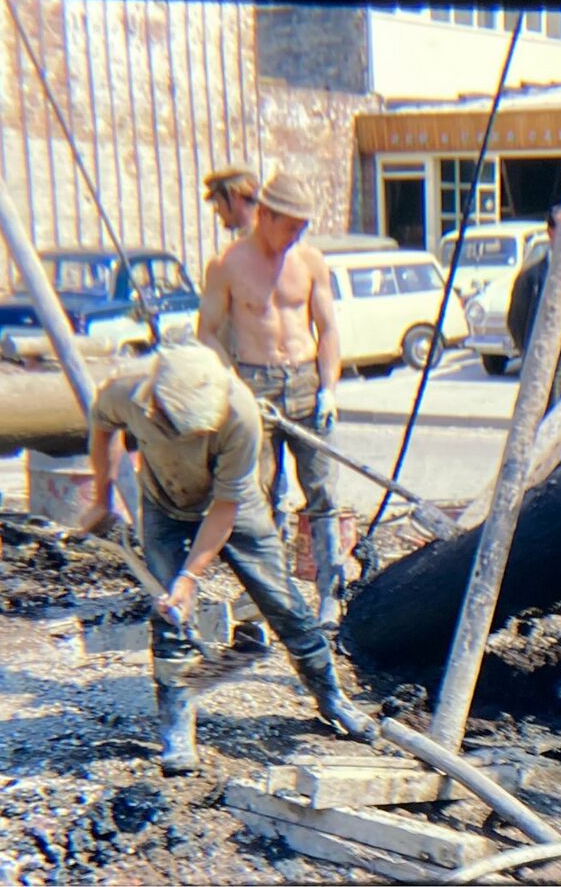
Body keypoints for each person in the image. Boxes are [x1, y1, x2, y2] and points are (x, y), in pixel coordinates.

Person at [79, 341, 376, 776]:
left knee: (284, 603)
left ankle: (330, 696)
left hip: (234, 508)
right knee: (171, 617)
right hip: (163, 506)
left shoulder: (240, 415)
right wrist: (101, 497)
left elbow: (223, 511)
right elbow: (101, 426)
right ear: (155, 405)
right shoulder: (126, 393)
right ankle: (176, 727)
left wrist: (190, 576)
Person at [198, 171, 348, 629]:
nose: (296, 236)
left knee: (322, 493)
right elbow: (206, 332)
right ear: (264, 215)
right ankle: (274, 597)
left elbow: (328, 329)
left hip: (304, 382)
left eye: (303, 228)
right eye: (290, 226)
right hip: (255, 387)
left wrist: (328, 387)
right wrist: (237, 388)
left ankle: (330, 596)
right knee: (260, 498)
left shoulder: (310, 262)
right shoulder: (226, 264)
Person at [505, 204, 561, 461]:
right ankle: (551, 474)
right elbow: (516, 321)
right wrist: (533, 354)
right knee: (552, 417)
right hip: (551, 357)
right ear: (551, 232)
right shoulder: (532, 276)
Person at [203, 165, 260, 234]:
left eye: (218, 201)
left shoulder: (255, 240)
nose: (216, 210)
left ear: (234, 195)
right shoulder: (267, 235)